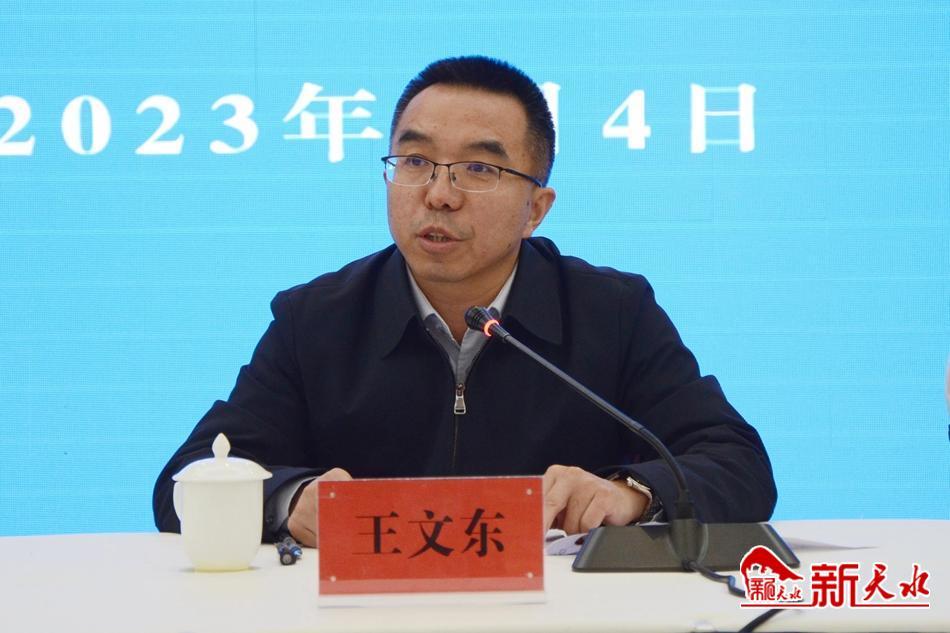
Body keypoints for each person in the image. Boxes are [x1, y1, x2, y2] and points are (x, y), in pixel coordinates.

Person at [153, 56, 776, 547]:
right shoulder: (316, 319)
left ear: (536, 208)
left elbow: (737, 463)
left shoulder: (612, 311)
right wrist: (293, 501)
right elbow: (186, 481)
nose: (439, 194)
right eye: (415, 161)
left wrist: (633, 493)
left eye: (479, 169)